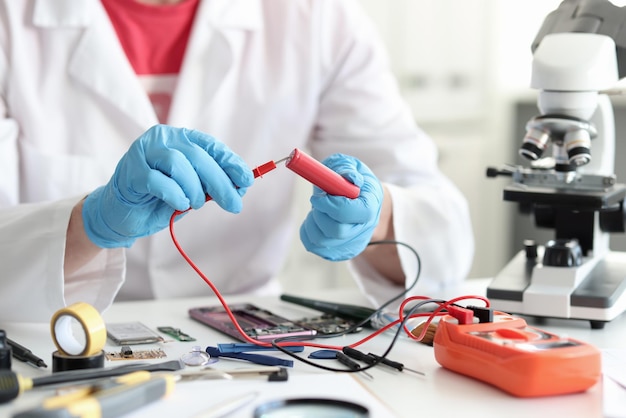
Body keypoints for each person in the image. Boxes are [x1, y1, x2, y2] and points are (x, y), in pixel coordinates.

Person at [0, 0, 474, 322]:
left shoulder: (314, 16)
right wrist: (90, 224)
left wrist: (380, 217)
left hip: (246, 344)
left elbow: (444, 238)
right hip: (55, 337)